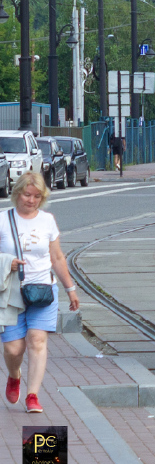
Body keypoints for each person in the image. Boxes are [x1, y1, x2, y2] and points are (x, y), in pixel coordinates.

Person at [1, 171, 78, 413]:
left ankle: (32, 395)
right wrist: (7, 263)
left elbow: (57, 257)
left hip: (43, 289)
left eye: (37, 196)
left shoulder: (47, 221)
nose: (31, 200)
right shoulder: (3, 220)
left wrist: (70, 289)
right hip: (11, 293)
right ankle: (14, 375)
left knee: (37, 340)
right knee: (13, 349)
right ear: (17, 193)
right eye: (27, 195)